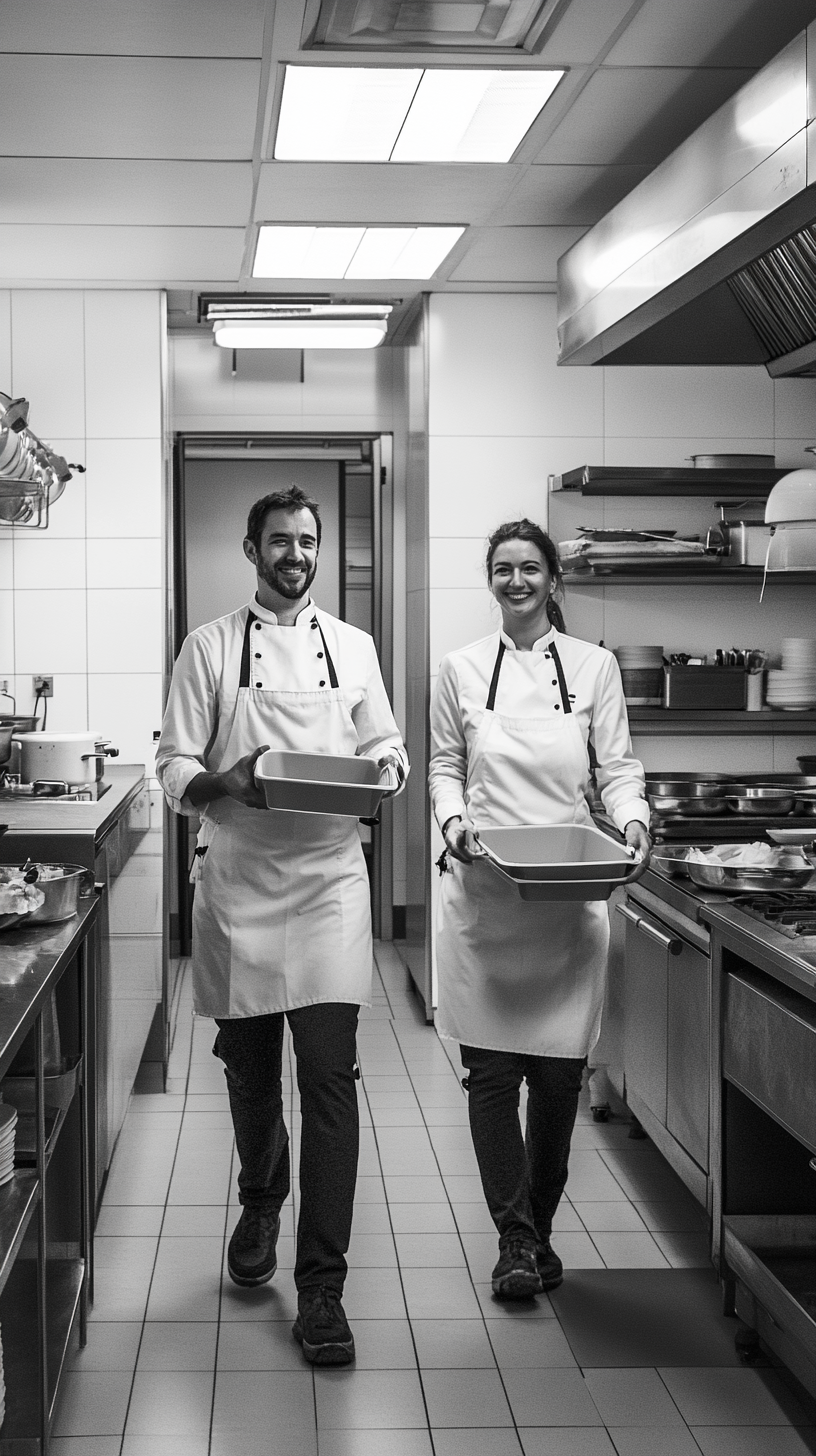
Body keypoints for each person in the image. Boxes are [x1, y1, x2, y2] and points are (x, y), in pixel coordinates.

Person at [156, 485, 408, 1365]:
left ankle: (324, 1291)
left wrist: (386, 773)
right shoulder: (211, 647)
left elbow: (387, 746)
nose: (294, 554)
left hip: (330, 881)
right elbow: (172, 765)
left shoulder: (355, 648)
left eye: (306, 541)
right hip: (240, 879)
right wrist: (229, 783)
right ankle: (261, 1199)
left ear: (317, 549)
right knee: (253, 1076)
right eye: (279, 541)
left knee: (331, 1084)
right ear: (251, 548)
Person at [429, 517, 650, 1300]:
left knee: (558, 1084)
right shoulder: (459, 668)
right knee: (490, 1077)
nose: (515, 581)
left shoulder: (593, 669)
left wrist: (633, 821)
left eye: (529, 568)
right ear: (489, 580)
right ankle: (515, 1241)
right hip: (487, 894)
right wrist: (452, 822)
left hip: (566, 901)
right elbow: (445, 765)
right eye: (501, 568)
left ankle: (538, 1227)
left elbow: (618, 766)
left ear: (553, 580)